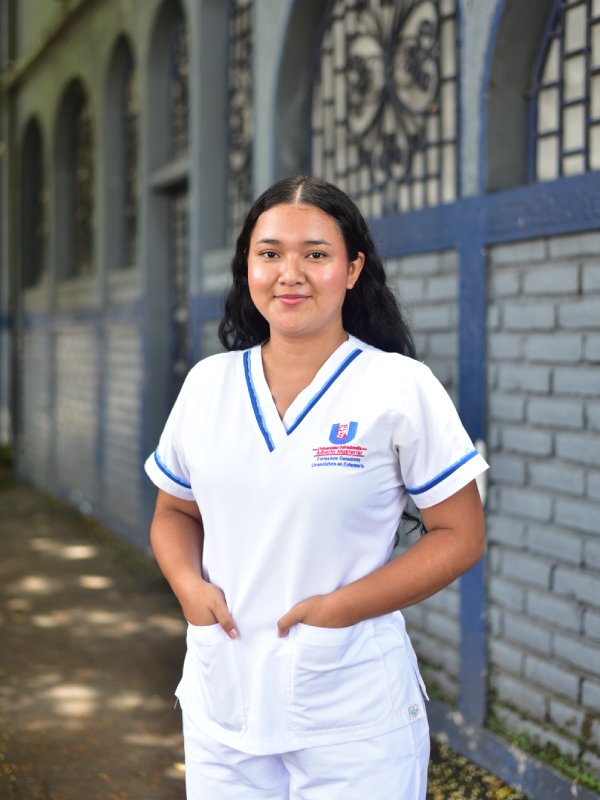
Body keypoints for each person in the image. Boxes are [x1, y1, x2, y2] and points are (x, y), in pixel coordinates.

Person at [144, 176, 488, 800]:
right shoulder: (208, 385)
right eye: (269, 253)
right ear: (247, 265)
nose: (290, 273)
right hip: (225, 701)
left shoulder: (399, 387)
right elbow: (173, 510)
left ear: (353, 269)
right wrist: (188, 588)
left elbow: (460, 536)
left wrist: (339, 610)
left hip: (350, 709)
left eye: (317, 254)